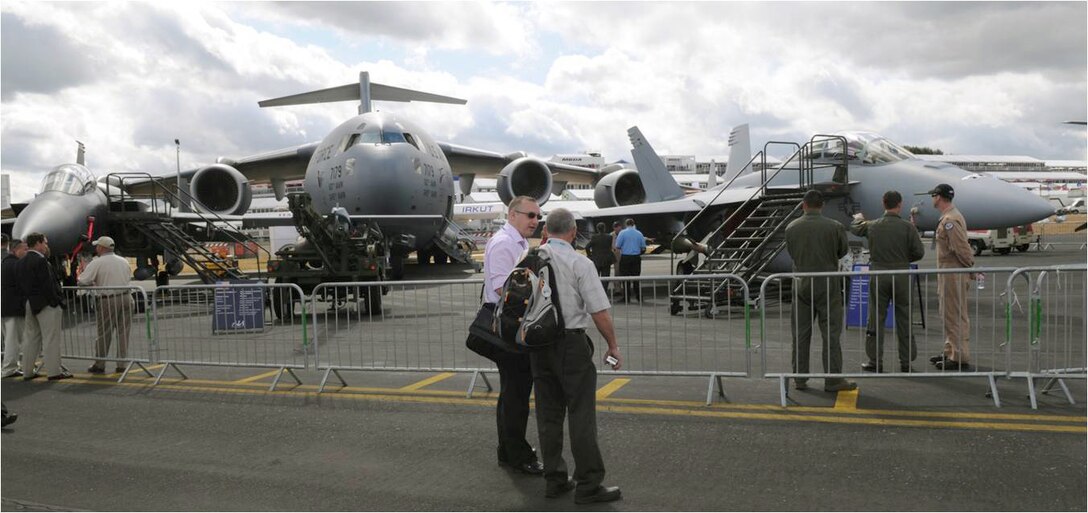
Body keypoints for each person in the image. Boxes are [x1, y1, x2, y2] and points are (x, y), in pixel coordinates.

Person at [532, 208, 622, 504]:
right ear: (572, 232)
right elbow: (598, 310)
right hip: (570, 344)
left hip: (538, 346)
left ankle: (554, 479)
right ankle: (589, 484)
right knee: (581, 414)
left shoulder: (529, 259)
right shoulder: (579, 263)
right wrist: (612, 345)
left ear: (546, 230)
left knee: (548, 415)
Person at [480, 196, 543, 475]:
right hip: (509, 326)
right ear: (513, 214)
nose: (535, 221)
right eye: (530, 215)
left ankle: (508, 450)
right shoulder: (505, 243)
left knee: (511, 393)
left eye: (538, 216)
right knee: (516, 394)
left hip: (513, 323)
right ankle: (517, 455)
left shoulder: (515, 241)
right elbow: (500, 288)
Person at [784, 190, 856, 392]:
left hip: (801, 284)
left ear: (803, 205)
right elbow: (842, 251)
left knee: (800, 333)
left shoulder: (791, 228)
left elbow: (792, 252)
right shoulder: (834, 227)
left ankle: (799, 377)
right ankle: (833, 379)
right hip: (827, 284)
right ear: (822, 205)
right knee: (831, 334)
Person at [850, 191, 925, 373]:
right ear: (899, 204)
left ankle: (875, 361)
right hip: (901, 275)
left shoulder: (873, 226)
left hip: (879, 274)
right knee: (904, 318)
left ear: (883, 203)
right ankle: (906, 362)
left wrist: (858, 218)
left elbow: (855, 228)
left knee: (876, 317)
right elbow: (919, 253)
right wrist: (903, 258)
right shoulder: (908, 227)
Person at [925, 183, 975, 371]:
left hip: (953, 272)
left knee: (954, 313)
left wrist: (970, 267)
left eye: (933, 196)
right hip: (948, 272)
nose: (932, 199)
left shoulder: (950, 220)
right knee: (948, 312)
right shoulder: (949, 216)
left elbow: (961, 247)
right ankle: (950, 351)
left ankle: (959, 355)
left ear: (938, 197)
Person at [16, 232, 70, 381]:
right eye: (45, 243)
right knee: (51, 339)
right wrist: (57, 301)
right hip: (45, 304)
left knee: (31, 339)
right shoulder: (41, 261)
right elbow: (47, 285)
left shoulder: (21, 261)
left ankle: (27, 371)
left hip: (29, 303)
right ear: (38, 243)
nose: (46, 246)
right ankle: (53, 372)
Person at [78, 236, 135, 374]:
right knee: (123, 333)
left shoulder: (97, 262)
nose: (96, 248)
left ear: (102, 248)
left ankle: (100, 363)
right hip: (127, 297)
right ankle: (121, 364)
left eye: (97, 246)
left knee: (104, 333)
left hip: (108, 299)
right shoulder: (124, 261)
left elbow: (83, 281)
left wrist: (85, 277)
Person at [2, 238, 28, 378]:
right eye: (24, 249)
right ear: (15, 250)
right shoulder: (16, 265)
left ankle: (11, 366)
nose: (26, 252)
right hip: (14, 308)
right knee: (13, 340)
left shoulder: (5, 263)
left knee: (9, 339)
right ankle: (9, 368)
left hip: (5, 307)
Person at [613, 218, 646, 303]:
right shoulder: (639, 233)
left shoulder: (622, 233)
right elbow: (643, 247)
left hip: (625, 257)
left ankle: (627, 297)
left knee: (625, 278)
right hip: (636, 257)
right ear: (633, 224)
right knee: (636, 278)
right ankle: (639, 297)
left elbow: (618, 246)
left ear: (626, 224)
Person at [585, 222, 615, 294]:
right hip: (607, 260)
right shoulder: (609, 237)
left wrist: (590, 255)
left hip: (596, 260)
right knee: (606, 277)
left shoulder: (594, 237)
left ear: (597, 229)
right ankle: (604, 292)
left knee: (596, 277)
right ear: (604, 228)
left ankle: (597, 292)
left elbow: (587, 247)